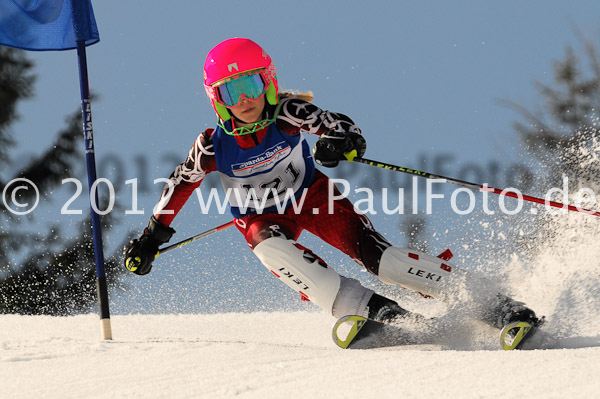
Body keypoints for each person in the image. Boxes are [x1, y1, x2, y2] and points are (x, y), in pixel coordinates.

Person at [124, 38, 540, 334]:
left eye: (251, 85)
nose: (244, 99)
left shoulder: (288, 112)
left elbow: (336, 123)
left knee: (385, 262)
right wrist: (152, 236)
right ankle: (378, 314)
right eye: (231, 90)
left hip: (314, 199)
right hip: (261, 217)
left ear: (267, 83)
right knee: (271, 249)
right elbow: (180, 184)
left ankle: (496, 304)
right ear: (217, 98)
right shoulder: (212, 144)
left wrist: (340, 141)